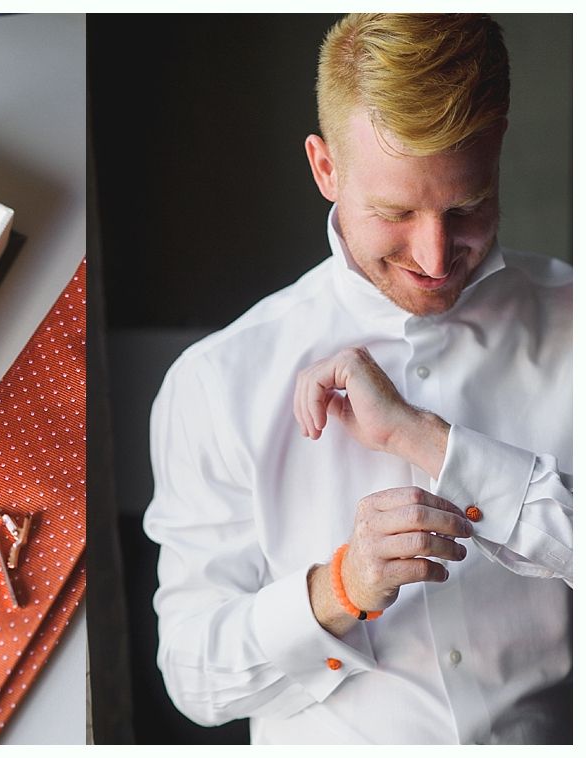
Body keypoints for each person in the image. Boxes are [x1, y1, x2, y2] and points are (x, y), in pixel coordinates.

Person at [143, 13, 571, 745]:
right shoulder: (217, 383)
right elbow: (194, 680)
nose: (435, 257)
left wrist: (430, 442)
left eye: (466, 207)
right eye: (394, 212)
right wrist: (338, 589)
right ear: (325, 169)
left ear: (497, 149)